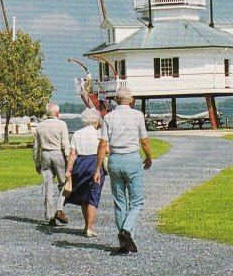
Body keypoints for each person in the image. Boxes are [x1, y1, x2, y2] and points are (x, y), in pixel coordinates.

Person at [96, 87, 152, 253]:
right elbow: (144, 140)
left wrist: (97, 167)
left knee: (119, 202)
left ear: (115, 100)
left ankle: (125, 243)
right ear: (131, 100)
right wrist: (148, 157)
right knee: (136, 201)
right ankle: (126, 230)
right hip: (132, 158)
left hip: (115, 159)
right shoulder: (137, 115)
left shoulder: (108, 117)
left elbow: (103, 144)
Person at [64, 108, 106, 237]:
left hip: (80, 163)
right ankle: (89, 227)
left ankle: (85, 224)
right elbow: (106, 149)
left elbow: (72, 153)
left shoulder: (77, 134)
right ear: (96, 119)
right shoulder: (99, 133)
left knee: (83, 195)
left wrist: (68, 170)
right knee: (94, 194)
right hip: (94, 161)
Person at [33, 102, 70, 226]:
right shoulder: (61, 124)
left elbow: (35, 147)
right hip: (58, 154)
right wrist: (69, 159)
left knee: (47, 186)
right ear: (57, 113)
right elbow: (65, 144)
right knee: (64, 184)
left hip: (45, 154)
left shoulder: (39, 126)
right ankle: (59, 208)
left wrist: (37, 162)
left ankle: (50, 216)